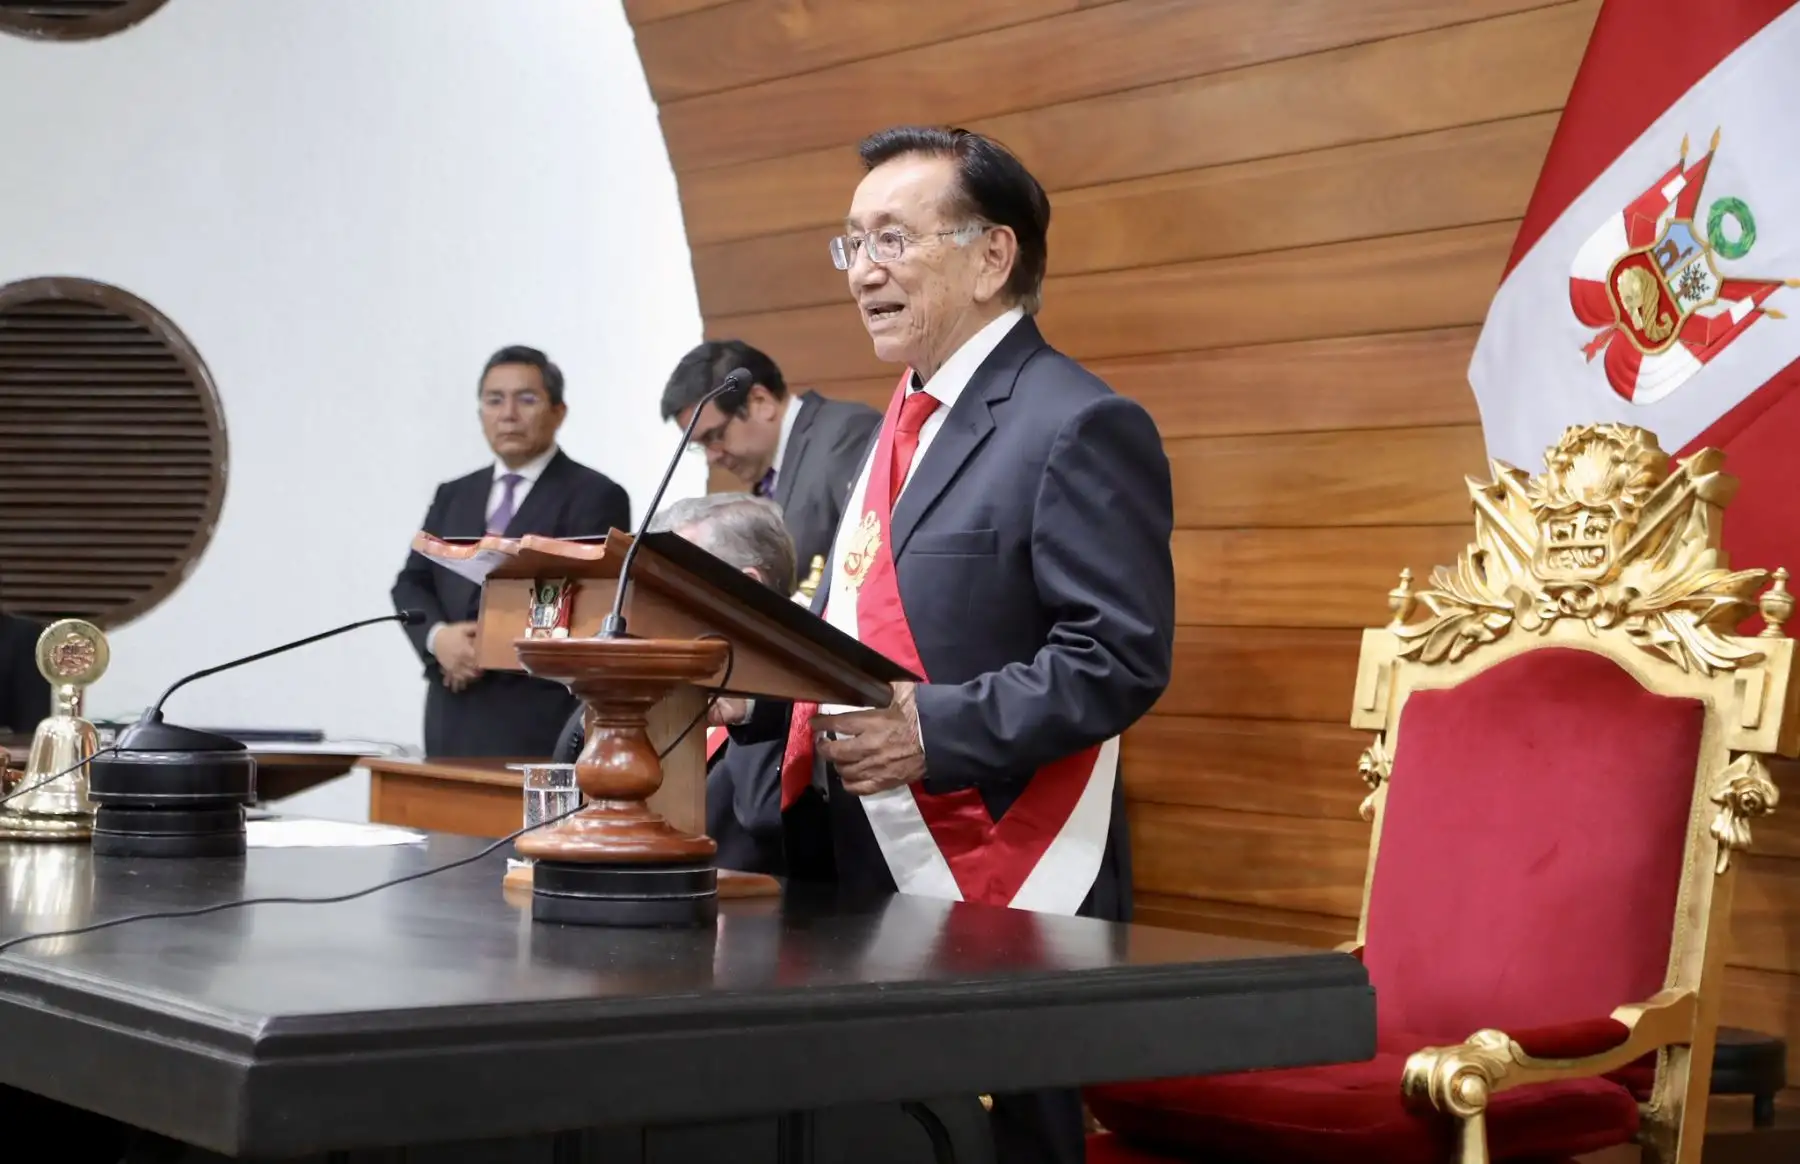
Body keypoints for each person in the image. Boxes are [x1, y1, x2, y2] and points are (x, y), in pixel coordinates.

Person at [719, 126, 1176, 1164]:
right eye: (850, 244)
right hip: (858, 862)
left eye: (892, 239)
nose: (863, 272)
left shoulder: (1077, 421)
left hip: (1003, 874)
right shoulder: (906, 423)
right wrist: (751, 700)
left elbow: (1119, 655)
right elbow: (855, 628)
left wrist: (938, 730)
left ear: (992, 255)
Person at [391, 345, 632, 757]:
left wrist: (485, 648)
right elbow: (411, 583)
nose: (508, 414)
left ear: (559, 412)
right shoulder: (454, 494)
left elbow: (586, 600)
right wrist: (438, 639)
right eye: (494, 400)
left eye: (527, 399)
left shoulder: (595, 495)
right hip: (452, 713)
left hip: (536, 715)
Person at [553, 493, 793, 874]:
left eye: (677, 583)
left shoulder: (794, 686)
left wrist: (744, 706)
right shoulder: (669, 673)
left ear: (747, 587)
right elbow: (567, 768)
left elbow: (764, 815)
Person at [660, 340, 880, 583]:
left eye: (715, 436)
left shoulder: (845, 435)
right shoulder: (769, 475)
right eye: (700, 447)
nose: (712, 457)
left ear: (760, 402)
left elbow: (872, 556)